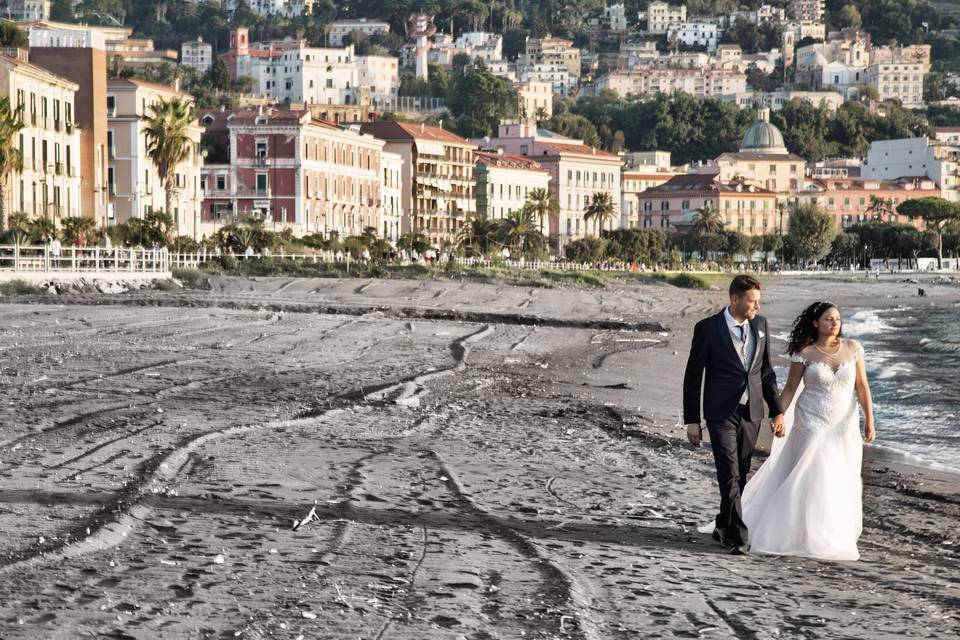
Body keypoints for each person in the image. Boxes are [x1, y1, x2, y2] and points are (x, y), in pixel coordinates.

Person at [738, 302, 875, 561]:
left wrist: (870, 420)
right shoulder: (805, 352)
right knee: (814, 473)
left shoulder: (853, 348)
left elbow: (862, 387)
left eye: (837, 318)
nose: (834, 323)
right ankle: (801, 534)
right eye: (828, 319)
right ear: (815, 323)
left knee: (840, 477)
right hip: (811, 419)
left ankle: (831, 532)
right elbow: (790, 389)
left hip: (843, 424)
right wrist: (778, 413)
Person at [683, 275, 785, 555]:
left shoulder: (760, 325)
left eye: (759, 301)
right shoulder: (707, 328)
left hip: (752, 411)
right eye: (752, 301)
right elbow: (693, 376)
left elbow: (766, 372)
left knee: (740, 474)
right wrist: (692, 420)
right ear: (735, 299)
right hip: (720, 413)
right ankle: (737, 536)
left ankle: (721, 523)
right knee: (728, 472)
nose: (757, 306)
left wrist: (777, 410)